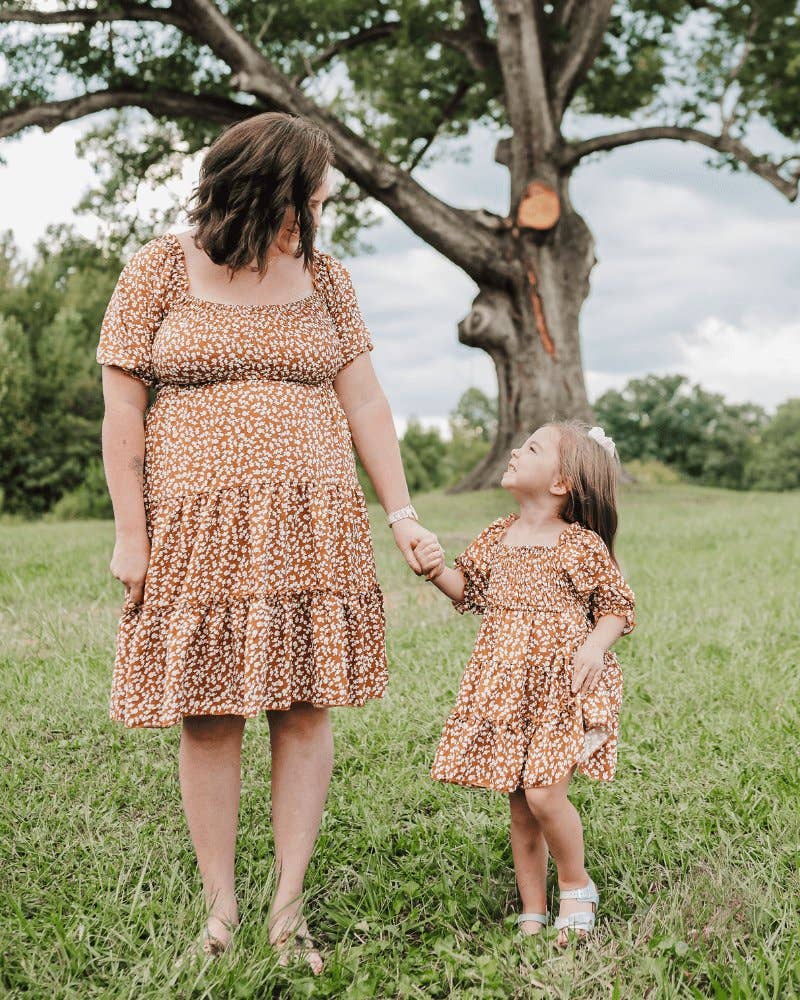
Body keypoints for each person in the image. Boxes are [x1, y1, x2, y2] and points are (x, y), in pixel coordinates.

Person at [96, 111, 435, 973]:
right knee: (208, 715)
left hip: (311, 525)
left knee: (303, 706)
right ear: (267, 188)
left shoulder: (327, 277)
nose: (322, 202)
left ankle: (288, 910)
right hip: (195, 528)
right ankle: (220, 906)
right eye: (314, 188)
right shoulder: (158, 269)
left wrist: (401, 515)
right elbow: (123, 411)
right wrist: (131, 535)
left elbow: (366, 402)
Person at [412, 420, 636, 947]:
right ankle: (533, 907)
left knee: (544, 796)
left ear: (561, 483)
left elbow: (616, 608)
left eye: (532, 447)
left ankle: (577, 885)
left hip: (559, 686)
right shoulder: (497, 534)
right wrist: (436, 567)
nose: (515, 450)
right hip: (507, 687)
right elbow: (467, 589)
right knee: (519, 803)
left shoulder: (578, 545)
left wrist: (593, 647)